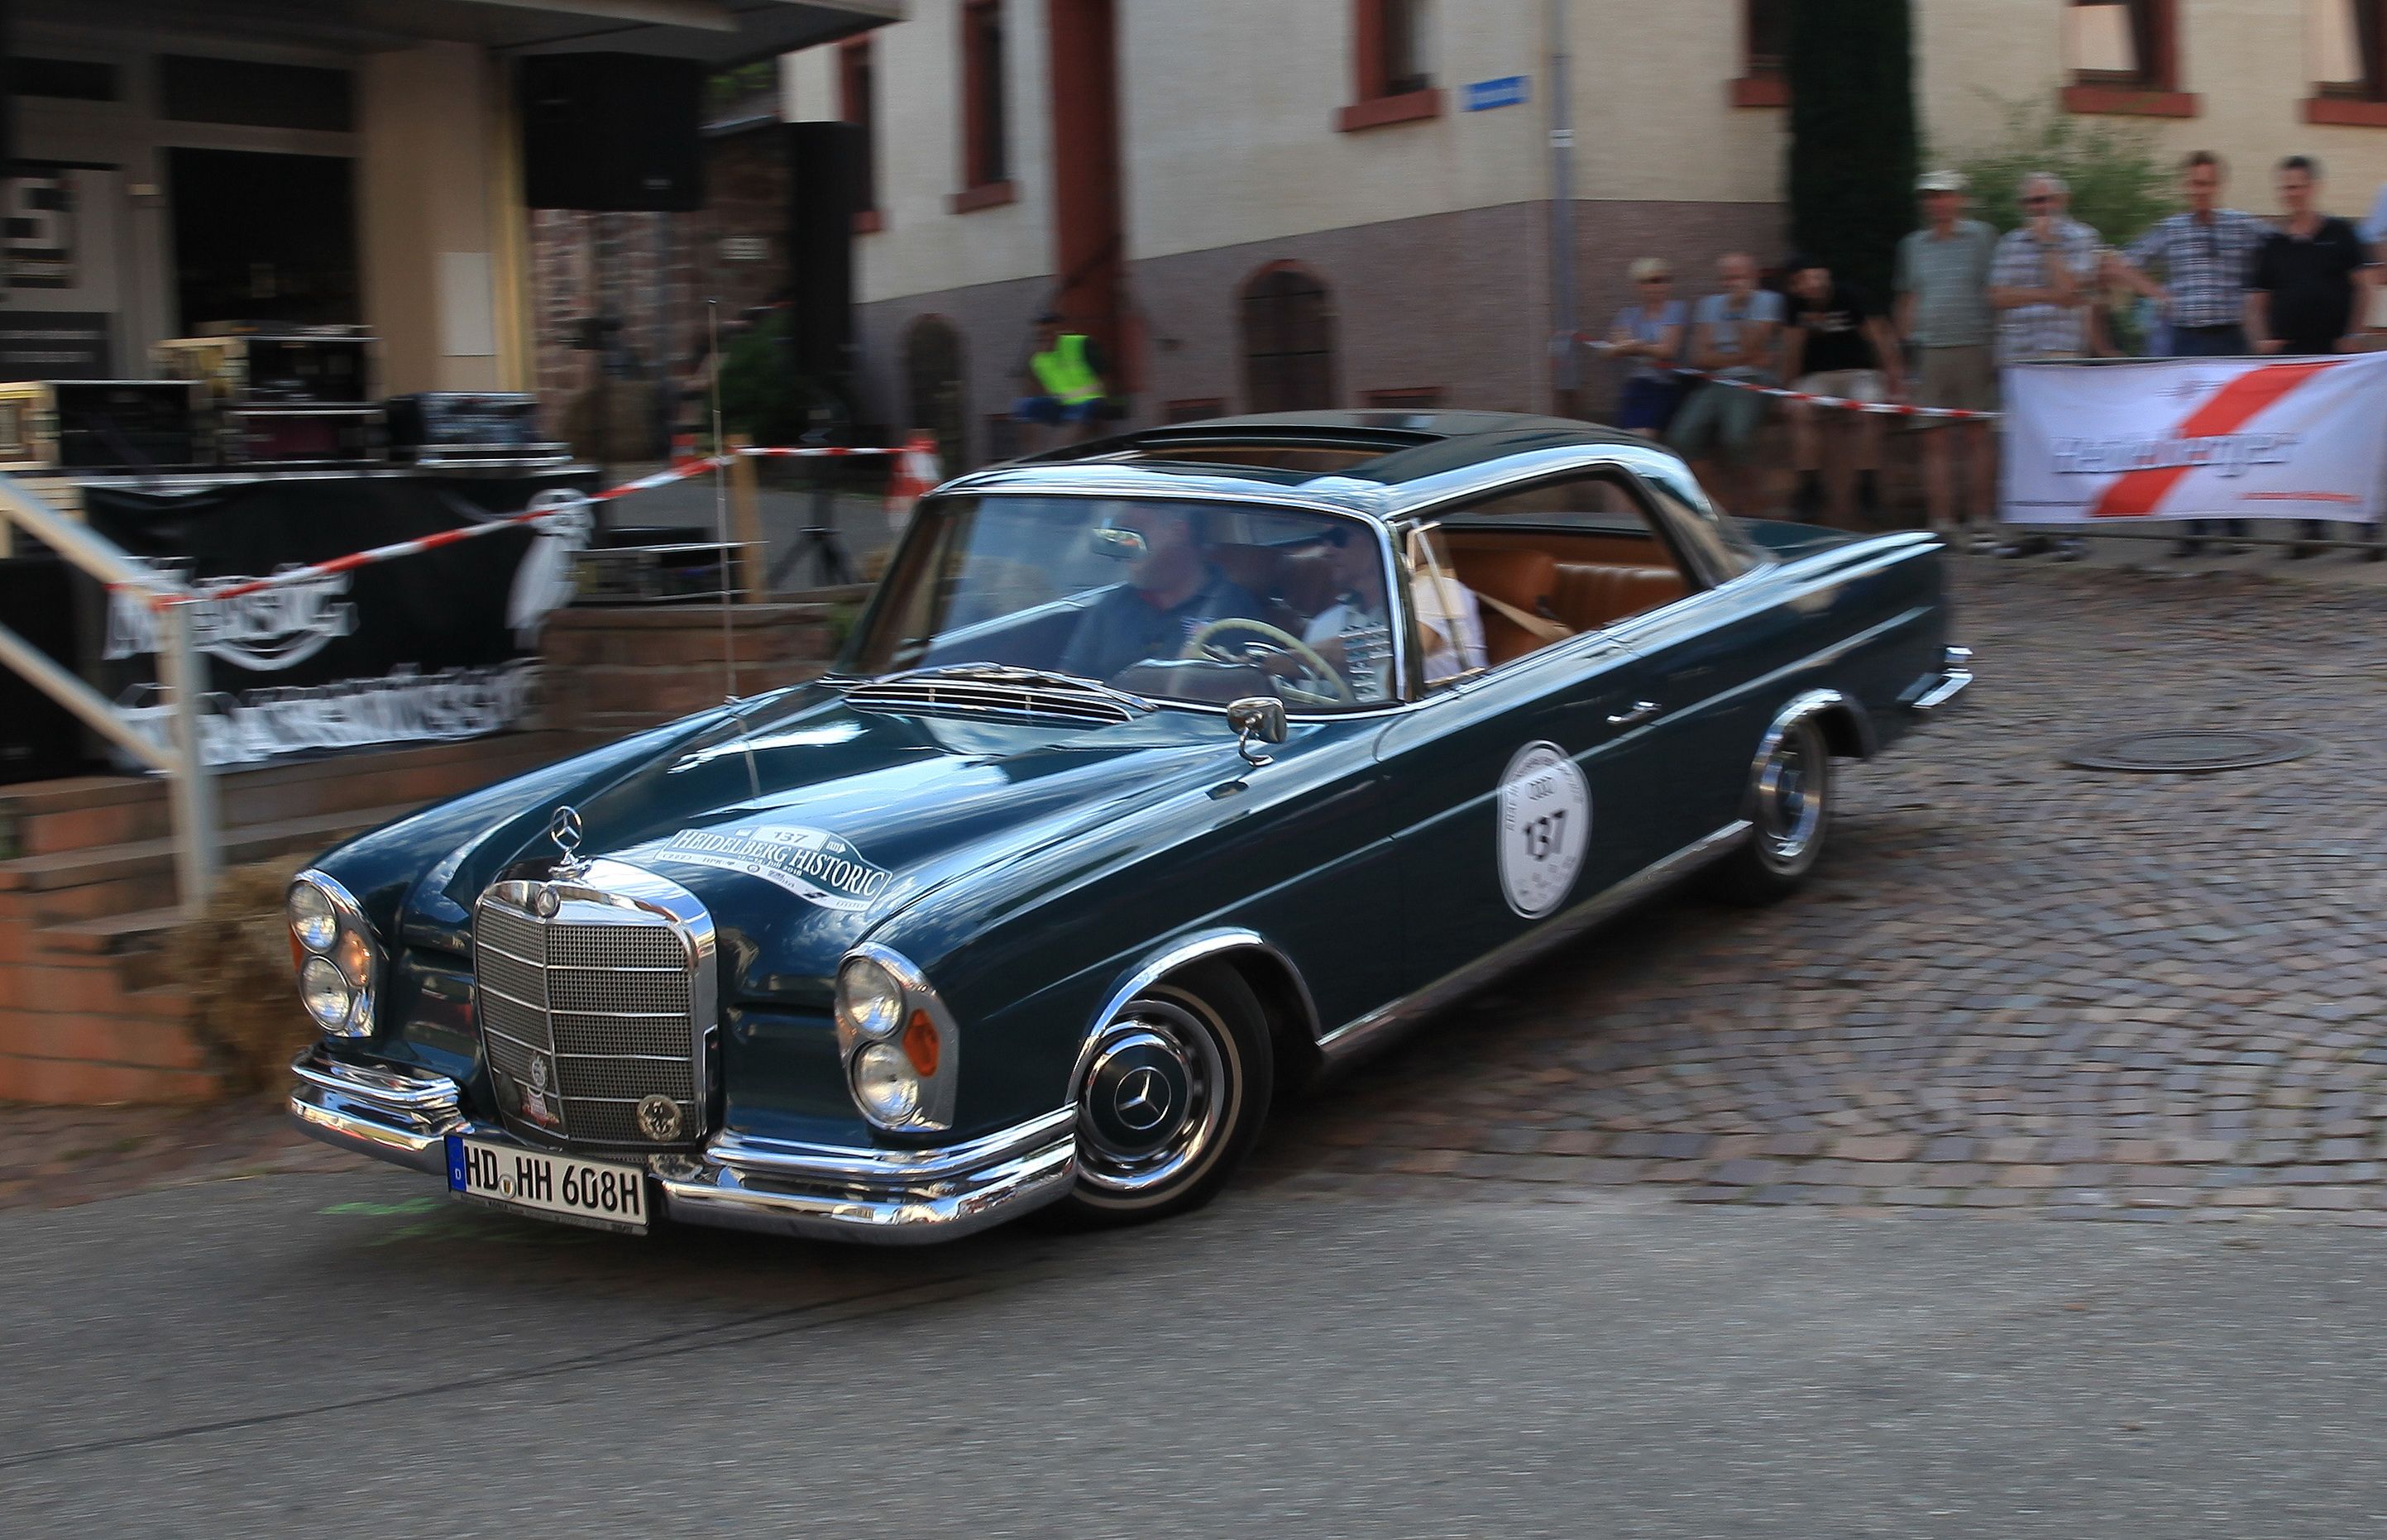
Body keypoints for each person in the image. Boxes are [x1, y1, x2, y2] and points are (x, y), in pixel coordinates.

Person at [2110, 151, 2272, 557]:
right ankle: (2194, 527)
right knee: (2189, 434)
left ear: (2219, 185)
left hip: (2230, 338)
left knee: (2232, 431)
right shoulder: (2172, 229)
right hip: (2187, 340)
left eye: (2208, 183)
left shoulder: (2241, 226)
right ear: (2187, 186)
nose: (2201, 191)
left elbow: (2283, 249)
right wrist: (2157, 293)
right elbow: (2120, 263)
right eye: (2194, 183)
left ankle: (2235, 525)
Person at [2246, 155, 2379, 558]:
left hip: (2336, 358)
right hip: (2291, 361)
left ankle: (2367, 529)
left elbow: (2365, 286)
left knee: (2350, 443)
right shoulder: (2272, 244)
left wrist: (2355, 333)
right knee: (2300, 445)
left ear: (2314, 187)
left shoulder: (2340, 233)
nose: (2293, 193)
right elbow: (2255, 300)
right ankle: (2311, 531)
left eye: (2299, 186)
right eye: (2286, 187)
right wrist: (2261, 340)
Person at [1988, 171, 2107, 559]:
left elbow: (2073, 292)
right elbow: (1998, 296)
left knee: (2065, 442)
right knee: (2022, 446)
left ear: (2063, 200)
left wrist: (2049, 246)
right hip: (2018, 354)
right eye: (2032, 203)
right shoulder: (2010, 242)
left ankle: (2072, 531)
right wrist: (2047, 294)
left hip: (2060, 351)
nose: (2040, 209)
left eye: (2046, 201)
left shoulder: (2082, 237)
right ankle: (2029, 529)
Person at [1894, 170, 2000, 548]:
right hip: (1929, 350)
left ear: (1960, 198)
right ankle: (1942, 522)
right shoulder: (1913, 245)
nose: (1938, 202)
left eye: (1945, 195)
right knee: (1933, 440)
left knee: (1977, 438)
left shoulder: (1982, 237)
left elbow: (1995, 291)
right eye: (1930, 196)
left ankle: (1982, 519)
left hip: (1975, 345)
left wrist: (1996, 348)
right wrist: (1903, 359)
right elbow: (1907, 298)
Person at [1056, 505, 1263, 682]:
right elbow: (1071, 680)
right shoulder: (1113, 604)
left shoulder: (1233, 607)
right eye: (1122, 535)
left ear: (1178, 531)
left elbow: (1253, 691)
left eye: (1135, 533)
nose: (1126, 546)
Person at [1782, 256, 1903, 526]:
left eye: (1814, 276)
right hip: (1817, 376)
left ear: (1825, 275)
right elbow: (1792, 349)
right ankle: (1809, 487)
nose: (1810, 284)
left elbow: (1881, 339)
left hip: (1860, 372)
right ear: (1795, 287)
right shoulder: (1794, 305)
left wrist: (1897, 385)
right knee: (1800, 409)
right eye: (1802, 280)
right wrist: (1786, 390)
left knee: (1869, 409)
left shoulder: (1851, 296)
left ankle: (1867, 486)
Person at [1299, 523, 1485, 697]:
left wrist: (1290, 661)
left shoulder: (1437, 590)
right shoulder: (1325, 622)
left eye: (1338, 538)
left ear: (1378, 547)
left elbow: (1400, 657)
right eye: (1322, 540)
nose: (1326, 550)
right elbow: (1313, 698)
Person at [1667, 251, 1785, 514]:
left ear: (1753, 276)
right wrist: (1744, 357)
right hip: (1715, 381)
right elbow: (1700, 357)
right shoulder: (1709, 305)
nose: (1731, 283)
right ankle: (1718, 506)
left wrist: (1739, 312)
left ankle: (1755, 505)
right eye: (1726, 278)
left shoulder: (1769, 301)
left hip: (1753, 382)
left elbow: (1753, 345)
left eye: (1738, 277)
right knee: (1681, 437)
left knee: (1737, 438)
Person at [1605, 257, 1687, 438]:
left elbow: (1667, 351)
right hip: (1637, 385)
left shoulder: (1676, 309)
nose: (1657, 286)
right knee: (1625, 438)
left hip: (1664, 386)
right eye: (1650, 281)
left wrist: (1635, 345)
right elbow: (1609, 350)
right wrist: (1635, 347)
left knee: (1643, 436)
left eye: (1663, 280)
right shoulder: (1629, 314)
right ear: (1639, 285)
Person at [1013, 311, 1107, 448]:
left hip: (1091, 401)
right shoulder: (1037, 361)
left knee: (1081, 410)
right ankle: (1033, 456)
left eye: (1048, 334)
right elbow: (1035, 389)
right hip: (1063, 403)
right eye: (1040, 335)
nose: (1044, 339)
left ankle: (1060, 454)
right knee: (1026, 406)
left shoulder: (1081, 344)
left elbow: (1105, 379)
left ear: (1058, 332)